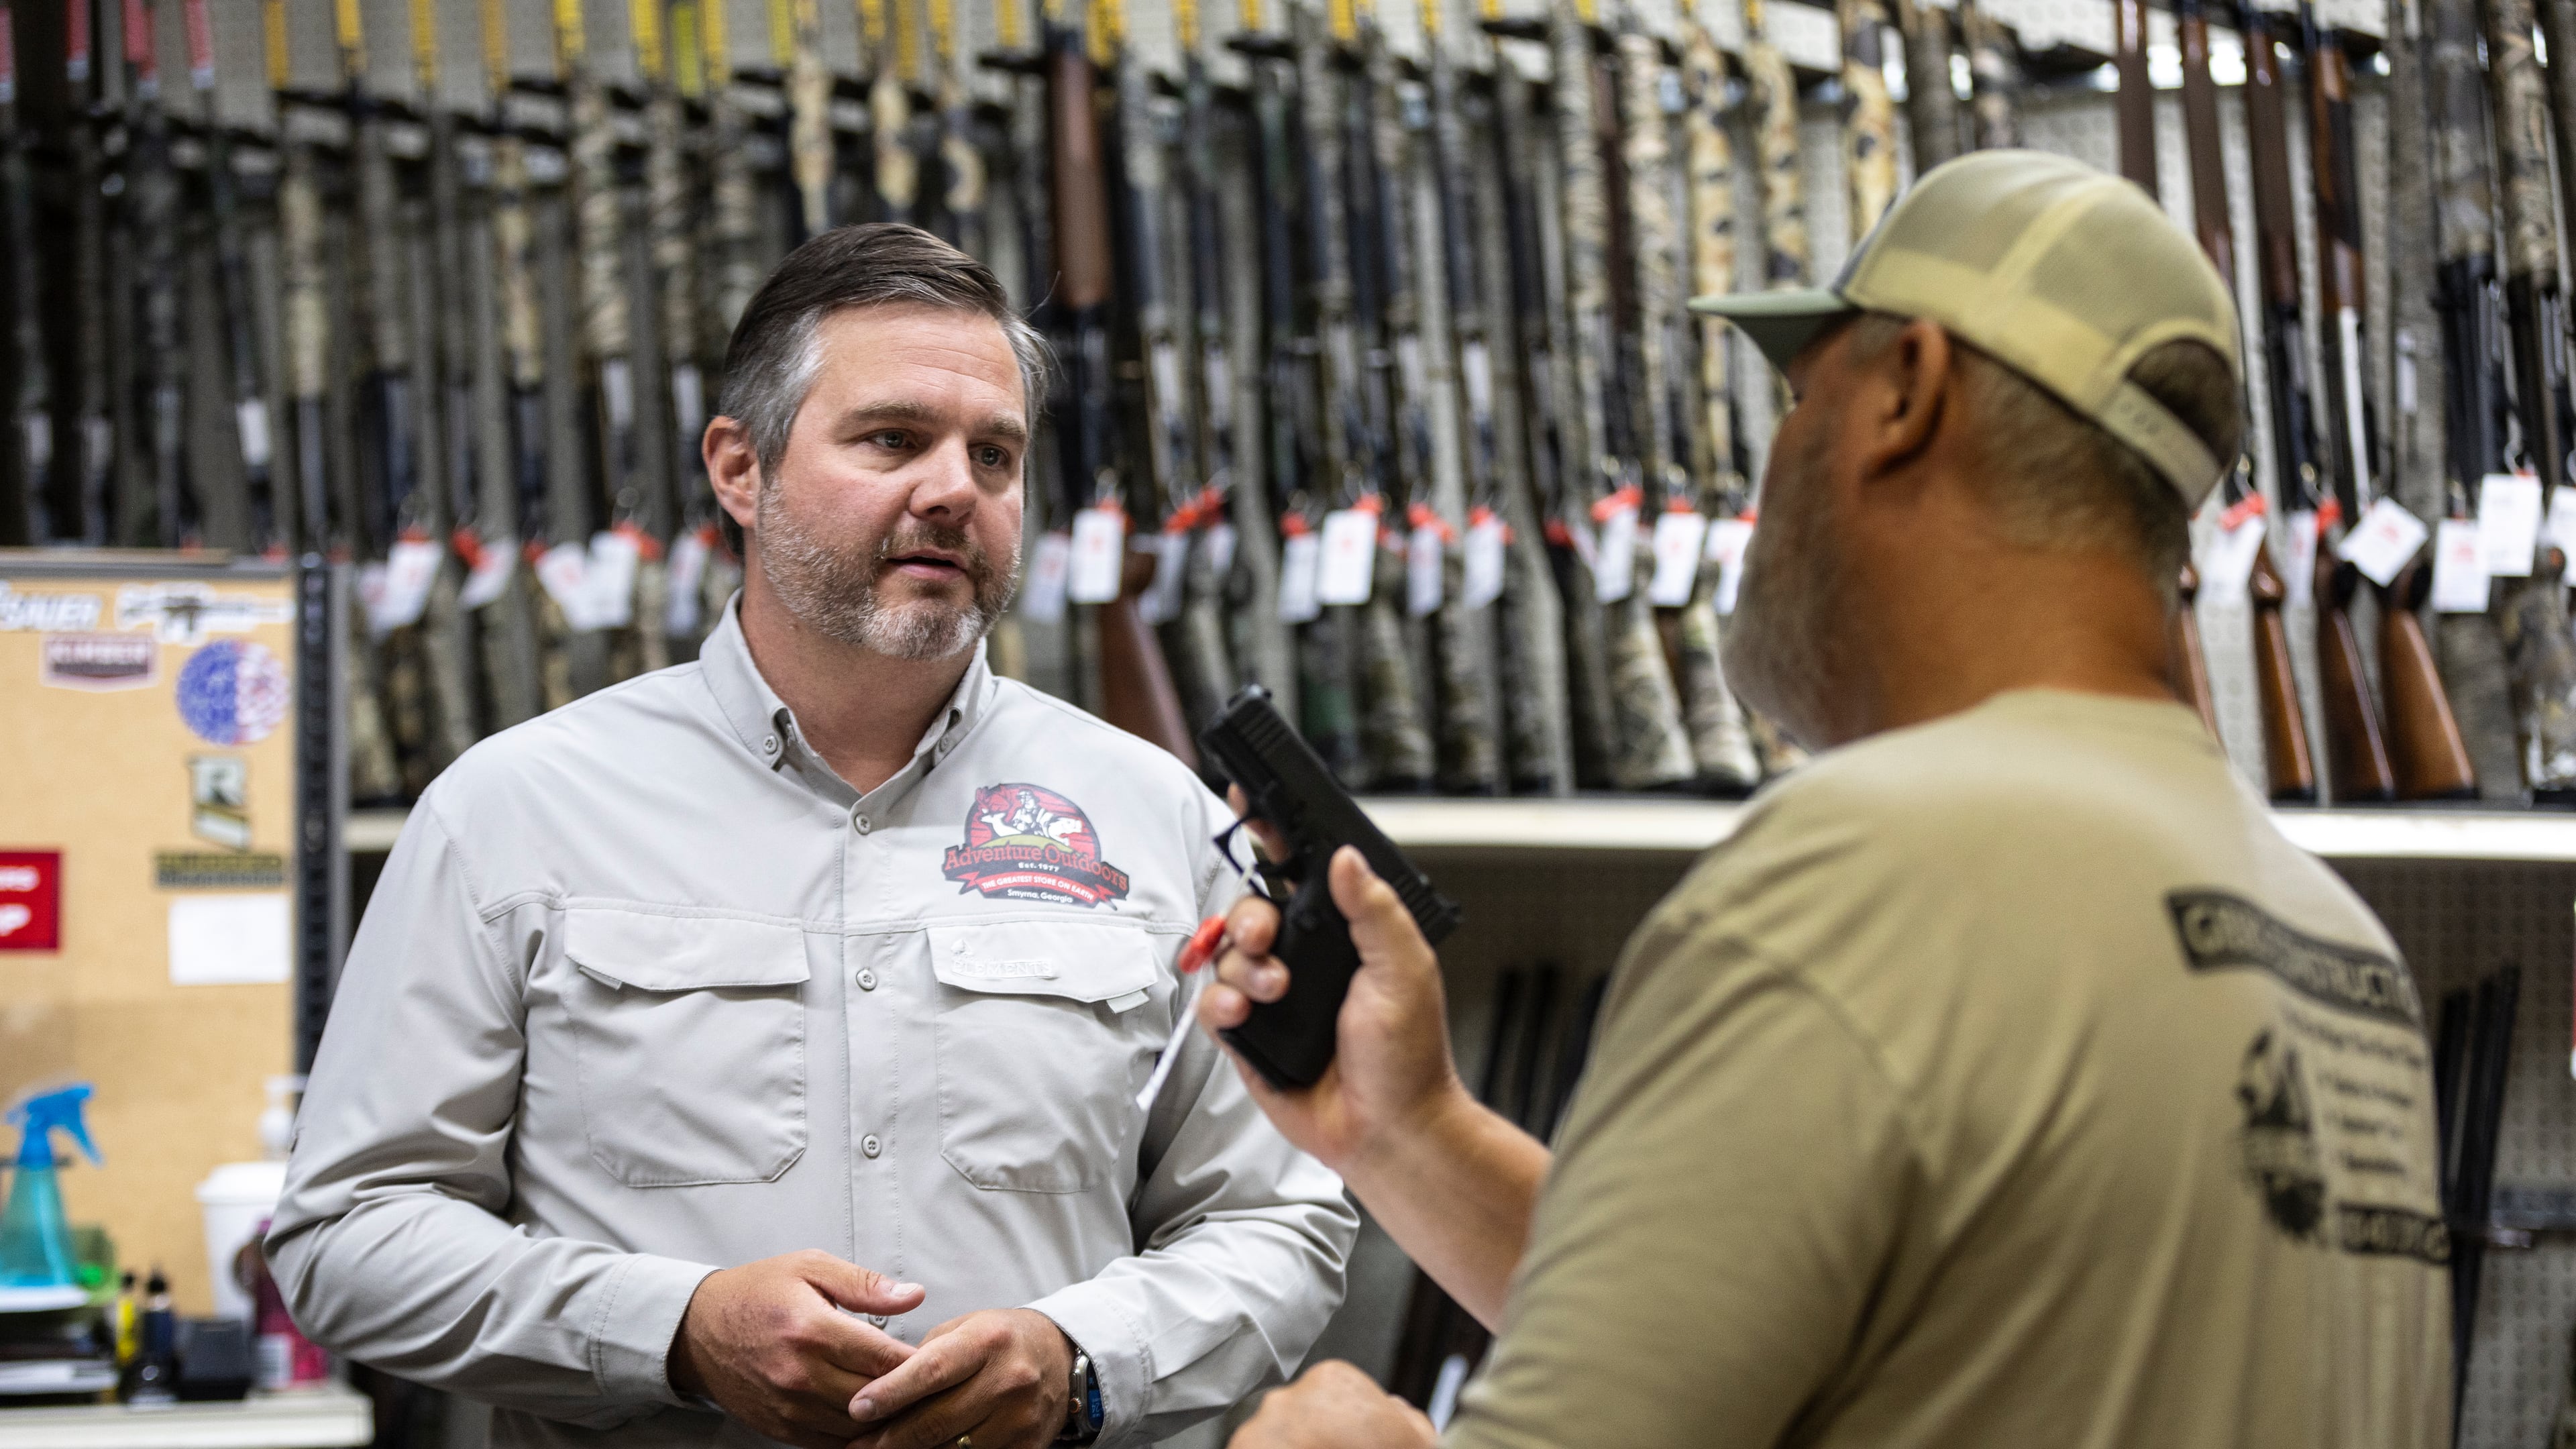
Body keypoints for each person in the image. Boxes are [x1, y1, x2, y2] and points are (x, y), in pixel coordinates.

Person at [1202, 151, 2450, 1448]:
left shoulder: (1862, 877)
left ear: (1907, 390)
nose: (1770, 462)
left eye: (1801, 396)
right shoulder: (2340, 953)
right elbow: (1859, 1351)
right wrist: (1406, 1131)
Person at [267, 224, 1357, 1449]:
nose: (954, 489)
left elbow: (1281, 1222)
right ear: (740, 468)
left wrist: (1082, 1363)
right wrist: (672, 1328)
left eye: (993, 456)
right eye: (893, 439)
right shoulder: (514, 812)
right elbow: (350, 1230)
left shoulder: (1157, 819)